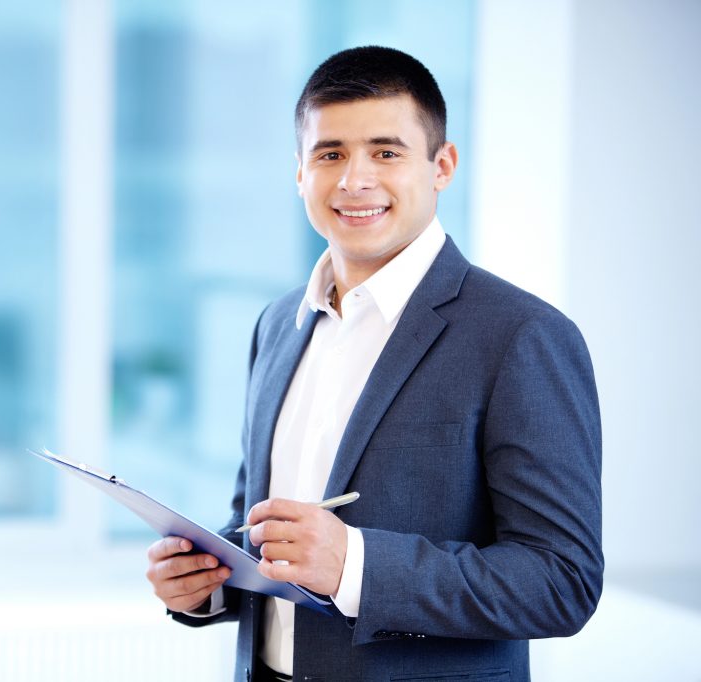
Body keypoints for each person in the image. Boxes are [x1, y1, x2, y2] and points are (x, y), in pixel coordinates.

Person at [144, 46, 602, 681]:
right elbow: (257, 523)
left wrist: (354, 565)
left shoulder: (522, 335)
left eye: (386, 153)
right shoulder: (277, 324)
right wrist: (207, 585)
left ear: (442, 166)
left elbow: (562, 580)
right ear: (299, 172)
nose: (354, 181)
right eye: (329, 154)